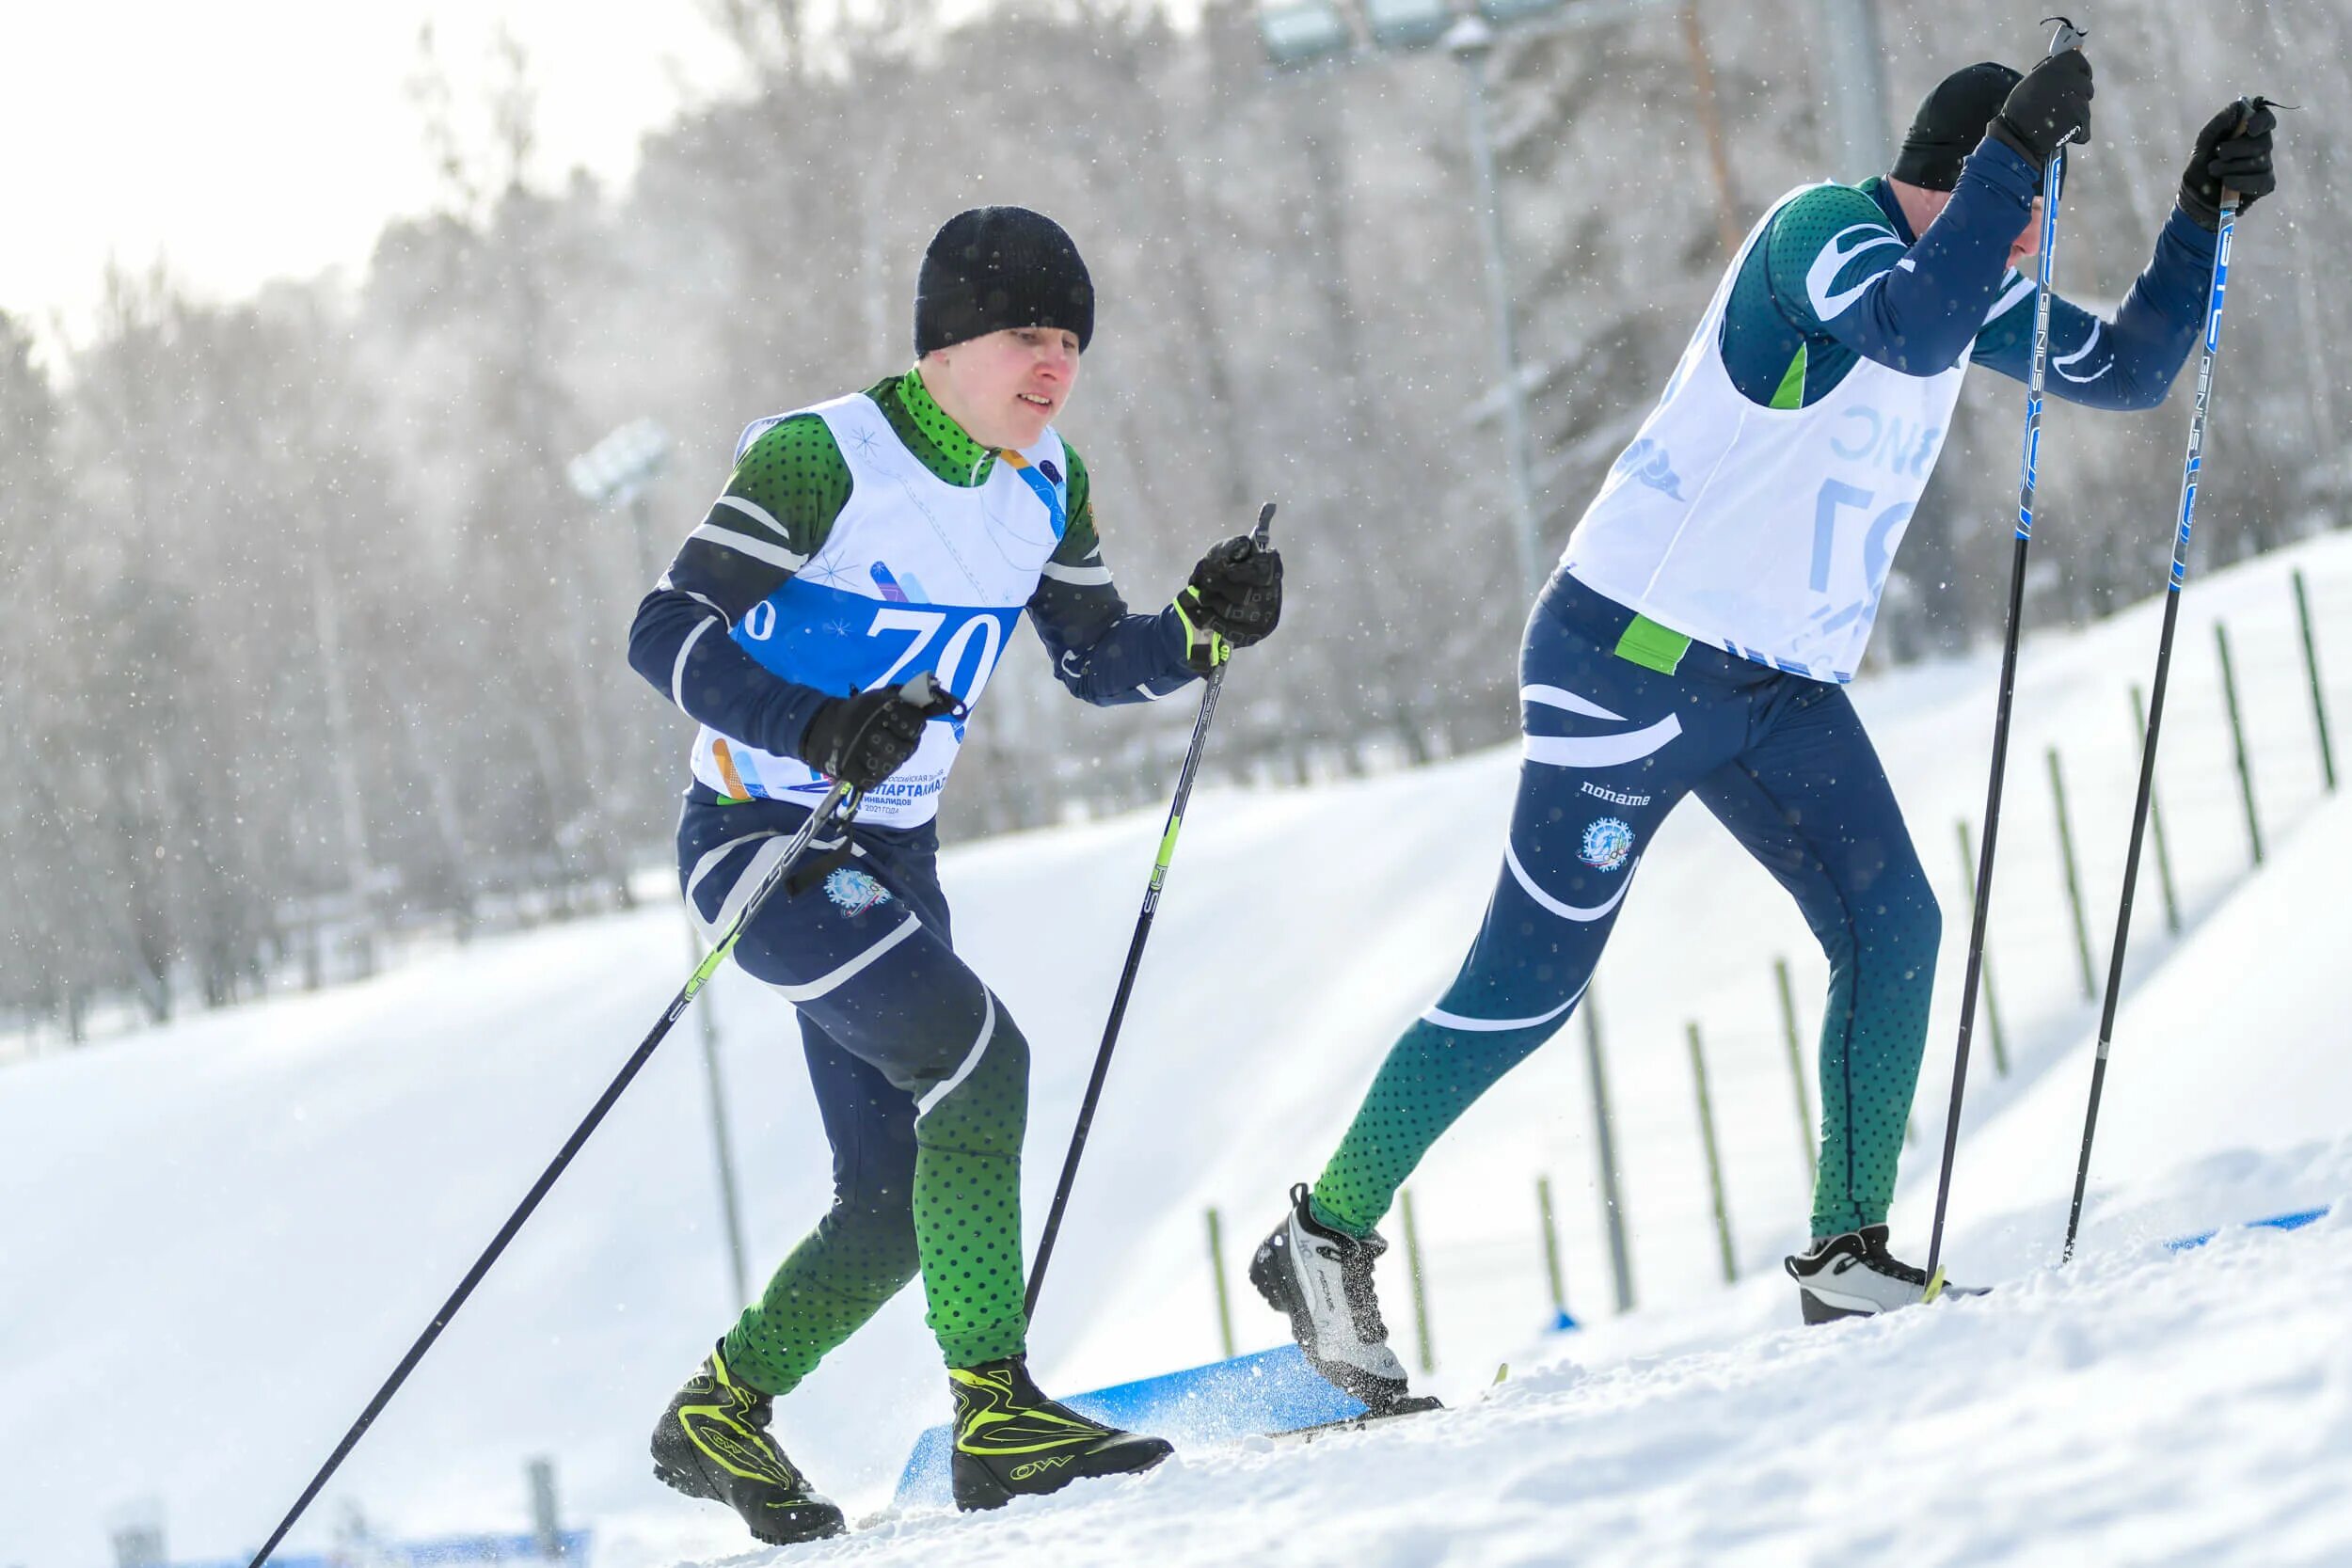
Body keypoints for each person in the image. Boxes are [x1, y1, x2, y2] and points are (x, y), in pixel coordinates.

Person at [1249, 54, 2279, 1406]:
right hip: (1624, 658)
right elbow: (1904, 328)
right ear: (1971, 171)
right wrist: (2016, 152)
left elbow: (2137, 370)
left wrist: (2202, 217)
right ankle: (1321, 1238)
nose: (2037, 227)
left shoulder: (1962, 290)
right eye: (2027, 194)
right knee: (1529, 986)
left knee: (1892, 922)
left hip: (1775, 688)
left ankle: (1847, 1252)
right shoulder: (1822, 235)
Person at [626, 206, 1283, 1538]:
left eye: (1072, 343)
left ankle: (720, 1413)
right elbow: (662, 628)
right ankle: (998, 1407)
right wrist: (812, 726)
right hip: (766, 843)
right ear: (943, 347)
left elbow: (1098, 660)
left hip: (894, 859)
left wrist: (1202, 631)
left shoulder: (1047, 484)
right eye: (1027, 336)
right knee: (982, 1063)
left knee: (888, 1210)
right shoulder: (829, 458)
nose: (1055, 367)